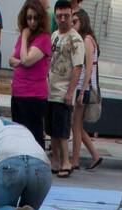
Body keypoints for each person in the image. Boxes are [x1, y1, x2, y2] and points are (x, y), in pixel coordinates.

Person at [45, 0, 82, 177]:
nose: (62, 19)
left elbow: (78, 67)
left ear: (71, 16)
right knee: (52, 129)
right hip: (50, 90)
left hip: (63, 92)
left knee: (62, 131)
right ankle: (56, 160)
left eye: (66, 16)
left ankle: (66, 161)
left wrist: (70, 92)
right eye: (59, 16)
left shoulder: (76, 39)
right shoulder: (53, 36)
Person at [8, 0, 49, 148]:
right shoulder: (22, 37)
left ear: (41, 18)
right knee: (18, 133)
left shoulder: (43, 38)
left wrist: (25, 37)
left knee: (34, 134)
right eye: (29, 18)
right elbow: (11, 60)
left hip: (33, 95)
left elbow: (26, 61)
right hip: (18, 92)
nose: (32, 22)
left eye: (35, 18)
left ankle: (37, 166)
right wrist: (20, 60)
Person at [69, 8, 100, 170]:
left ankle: (75, 160)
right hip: (83, 87)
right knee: (77, 125)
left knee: (76, 124)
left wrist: (82, 91)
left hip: (84, 88)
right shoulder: (84, 39)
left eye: (75, 22)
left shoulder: (87, 40)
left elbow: (88, 68)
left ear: (83, 21)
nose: (72, 25)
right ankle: (95, 155)